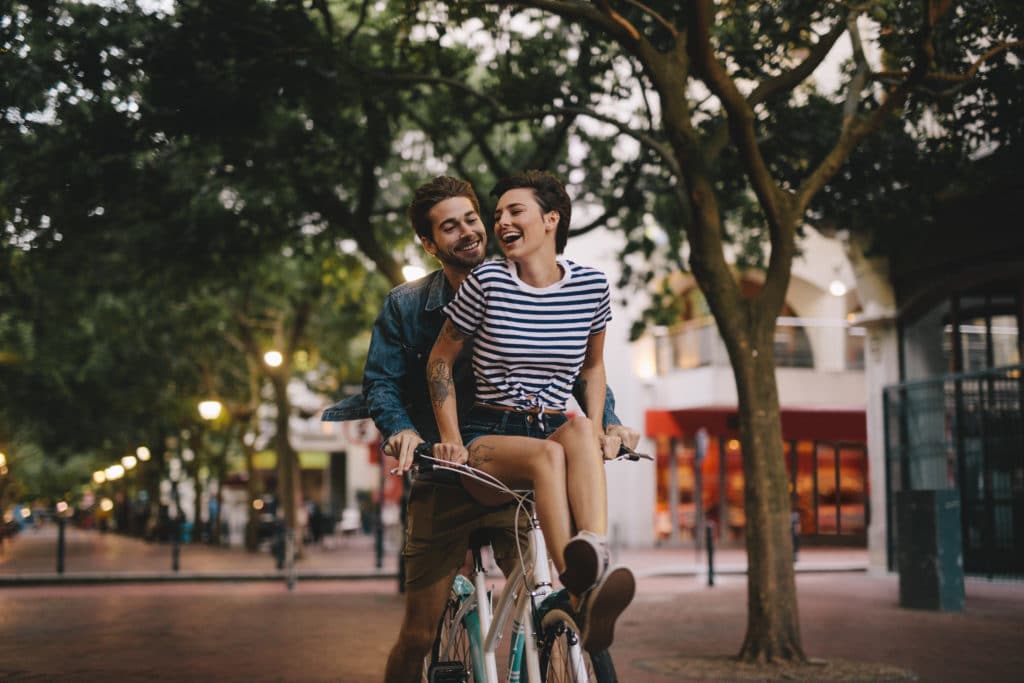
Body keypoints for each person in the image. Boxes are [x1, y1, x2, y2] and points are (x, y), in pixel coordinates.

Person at [321, 175, 639, 682]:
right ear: (430, 244)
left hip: (522, 471)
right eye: (450, 228)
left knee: (538, 595)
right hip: (448, 473)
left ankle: (577, 597)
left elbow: (573, 366)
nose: (470, 232)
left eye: (473, 219)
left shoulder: (530, 281)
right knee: (418, 635)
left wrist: (611, 425)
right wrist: (404, 430)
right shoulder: (408, 305)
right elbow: (383, 384)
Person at [424, 170, 634, 654]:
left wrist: (603, 425)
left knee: (577, 435)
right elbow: (440, 358)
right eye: (497, 215)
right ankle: (575, 590)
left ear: (551, 219)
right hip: (489, 436)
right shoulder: (489, 280)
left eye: (514, 211)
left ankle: (593, 560)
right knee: (549, 457)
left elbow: (593, 369)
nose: (502, 222)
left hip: (552, 426)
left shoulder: (591, 286)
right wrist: (450, 435)